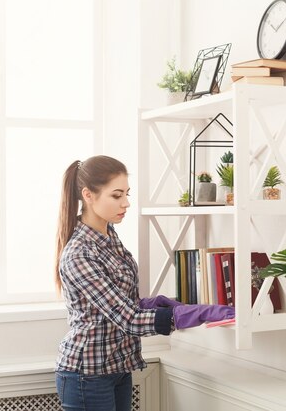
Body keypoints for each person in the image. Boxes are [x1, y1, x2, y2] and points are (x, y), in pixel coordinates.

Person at [54, 155, 234, 411]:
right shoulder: (80, 253)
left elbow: (116, 304)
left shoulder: (110, 238)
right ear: (88, 195)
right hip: (87, 373)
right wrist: (194, 314)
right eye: (116, 196)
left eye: (127, 194)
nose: (126, 203)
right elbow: (128, 319)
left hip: (118, 367)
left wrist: (151, 304)